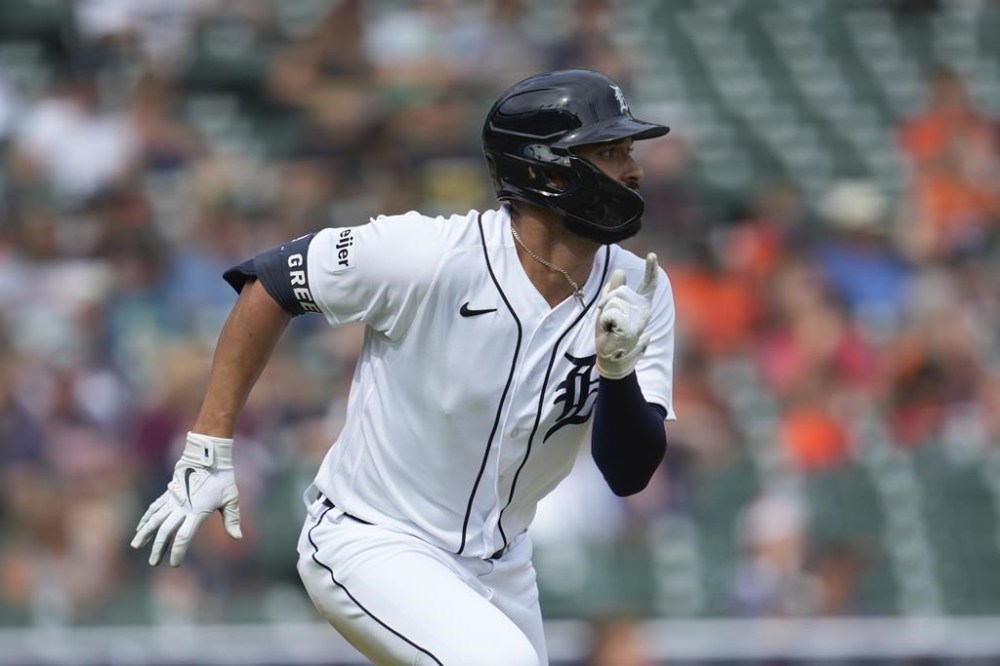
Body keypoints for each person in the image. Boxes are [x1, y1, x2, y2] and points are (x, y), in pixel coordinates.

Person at [130, 69, 676, 665]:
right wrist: (209, 444)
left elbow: (629, 472)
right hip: (373, 539)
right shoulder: (427, 255)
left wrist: (617, 371)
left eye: (628, 150)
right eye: (610, 151)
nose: (633, 169)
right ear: (547, 171)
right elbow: (271, 283)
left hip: (501, 563)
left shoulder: (640, 289)